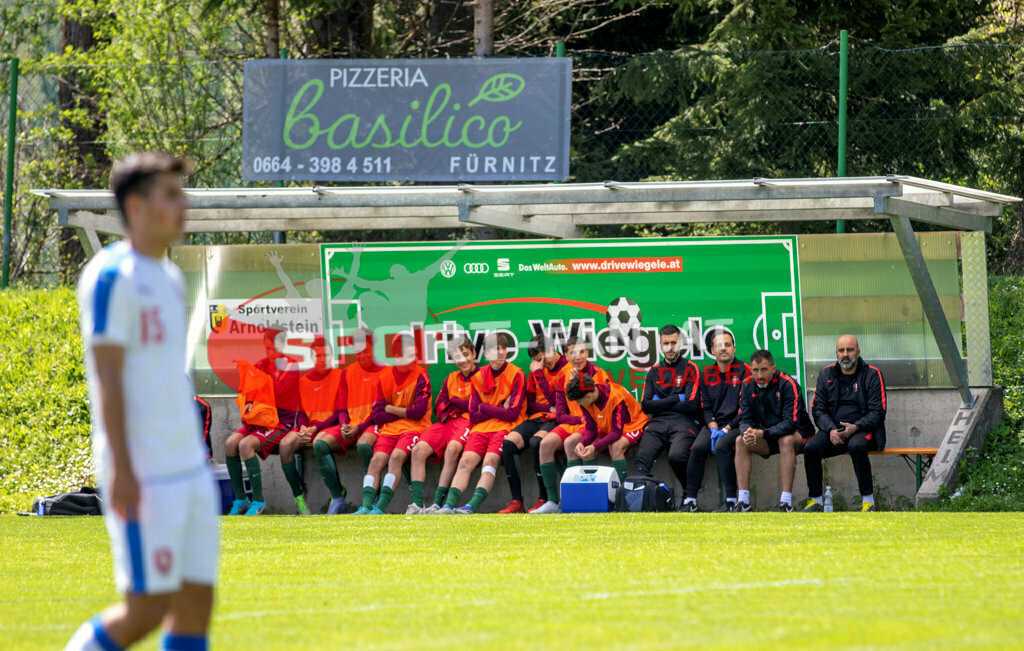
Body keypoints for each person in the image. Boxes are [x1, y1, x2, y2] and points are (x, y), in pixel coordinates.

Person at [67, 153, 217, 650]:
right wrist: (123, 469)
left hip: (188, 469)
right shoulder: (111, 277)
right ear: (135, 206)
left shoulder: (168, 276)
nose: (183, 205)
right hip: (145, 473)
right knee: (146, 609)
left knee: (195, 604)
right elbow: (107, 378)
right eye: (170, 194)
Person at [437, 333, 526, 514]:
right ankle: (447, 506)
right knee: (465, 462)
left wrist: (484, 407)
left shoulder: (517, 373)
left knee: (489, 461)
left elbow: (512, 414)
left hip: (505, 428)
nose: (500, 352)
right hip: (480, 429)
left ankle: (471, 506)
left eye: (503, 348)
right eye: (495, 349)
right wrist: (497, 408)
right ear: (485, 353)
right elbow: (473, 415)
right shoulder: (479, 376)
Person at [802, 335, 887, 512]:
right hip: (833, 430)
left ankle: (868, 501)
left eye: (850, 350)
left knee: (856, 446)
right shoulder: (825, 374)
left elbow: (878, 411)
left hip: (862, 429)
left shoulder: (872, 374)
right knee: (810, 447)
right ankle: (815, 500)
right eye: (841, 350)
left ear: (858, 352)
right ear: (836, 353)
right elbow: (818, 409)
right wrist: (831, 429)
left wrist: (855, 427)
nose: (845, 354)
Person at [530, 335, 612, 513]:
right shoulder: (563, 378)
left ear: (587, 352)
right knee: (544, 444)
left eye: (581, 352)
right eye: (573, 353)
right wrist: (577, 420)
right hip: (574, 423)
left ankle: (577, 499)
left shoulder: (599, 374)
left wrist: (580, 383)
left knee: (570, 442)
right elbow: (560, 415)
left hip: (595, 423)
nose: (578, 357)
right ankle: (553, 501)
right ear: (566, 356)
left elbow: (603, 406)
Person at [224, 328, 301, 515]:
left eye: (274, 348)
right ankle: (241, 499)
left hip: (280, 424)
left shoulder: (291, 365)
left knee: (245, 445)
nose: (270, 352)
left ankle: (259, 502)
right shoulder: (259, 365)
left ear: (283, 345)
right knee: (230, 443)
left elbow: (280, 390)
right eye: (267, 348)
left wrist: (256, 379)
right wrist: (247, 386)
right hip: (257, 421)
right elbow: (248, 389)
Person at [356, 335, 432, 515]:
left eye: (416, 354)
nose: (415, 359)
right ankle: (365, 506)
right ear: (397, 356)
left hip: (415, 427)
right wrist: (403, 412)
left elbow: (418, 412)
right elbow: (378, 415)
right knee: (375, 461)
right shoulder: (384, 377)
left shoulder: (421, 374)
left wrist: (391, 409)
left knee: (396, 457)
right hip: (390, 430)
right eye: (410, 355)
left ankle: (380, 508)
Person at [313, 328, 386, 514]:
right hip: (351, 425)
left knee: (364, 445)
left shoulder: (386, 371)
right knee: (320, 444)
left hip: (374, 424)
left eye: (366, 351)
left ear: (374, 348)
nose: (362, 356)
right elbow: (341, 407)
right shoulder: (347, 373)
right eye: (358, 352)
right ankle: (338, 498)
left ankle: (373, 499)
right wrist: (345, 424)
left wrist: (358, 428)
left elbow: (380, 411)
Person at [631, 324, 703, 510]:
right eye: (666, 343)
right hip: (658, 422)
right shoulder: (653, 371)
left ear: (681, 343)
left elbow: (691, 404)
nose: (670, 348)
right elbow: (646, 405)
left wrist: (660, 401)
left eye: (674, 343)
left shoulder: (691, 368)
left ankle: (689, 496)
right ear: (660, 345)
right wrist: (676, 397)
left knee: (677, 457)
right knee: (641, 461)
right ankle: (638, 503)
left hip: (685, 421)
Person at [732, 349, 814, 512]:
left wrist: (762, 433)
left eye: (764, 369)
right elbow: (744, 418)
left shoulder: (787, 384)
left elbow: (790, 424)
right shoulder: (747, 384)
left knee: (786, 440)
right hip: (766, 435)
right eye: (755, 370)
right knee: (740, 441)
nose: (760, 375)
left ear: (773, 368)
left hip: (797, 434)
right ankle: (743, 502)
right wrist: (747, 432)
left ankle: (786, 502)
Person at [497, 334, 567, 514]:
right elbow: (531, 403)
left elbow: (559, 402)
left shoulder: (566, 368)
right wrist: (548, 407)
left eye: (543, 359)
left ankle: (544, 498)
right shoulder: (537, 369)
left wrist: (538, 374)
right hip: (537, 418)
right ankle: (517, 502)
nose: (542, 364)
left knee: (537, 442)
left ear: (552, 349)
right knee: (508, 443)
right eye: (537, 361)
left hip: (557, 419)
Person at [412, 336, 477, 514]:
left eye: (466, 355)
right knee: (418, 450)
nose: (463, 360)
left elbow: (476, 406)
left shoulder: (481, 376)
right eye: (458, 357)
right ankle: (416, 505)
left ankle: (437, 503)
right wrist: (455, 407)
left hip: (467, 420)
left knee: (453, 449)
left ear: (474, 354)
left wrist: (455, 401)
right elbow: (439, 405)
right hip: (447, 421)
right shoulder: (451, 378)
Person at [277, 337, 341, 515]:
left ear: (332, 356)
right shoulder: (304, 381)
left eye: (325, 355)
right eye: (317, 355)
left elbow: (339, 414)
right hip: (310, 428)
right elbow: (302, 412)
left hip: (331, 426)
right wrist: (303, 427)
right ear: (312, 358)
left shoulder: (339, 376)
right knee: (285, 445)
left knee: (319, 442)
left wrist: (314, 429)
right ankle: (299, 497)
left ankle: (338, 493)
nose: (322, 359)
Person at [691, 329, 750, 512]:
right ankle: (690, 501)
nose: (723, 348)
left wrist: (726, 429)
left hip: (739, 423)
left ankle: (731, 500)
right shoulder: (706, 373)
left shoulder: (745, 370)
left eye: (727, 345)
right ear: (712, 350)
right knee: (697, 448)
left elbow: (747, 407)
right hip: (715, 425)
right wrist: (713, 427)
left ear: (734, 348)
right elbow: (706, 406)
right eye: (719, 345)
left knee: (721, 446)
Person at [563, 374, 649, 492]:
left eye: (578, 401)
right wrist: (582, 443)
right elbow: (591, 429)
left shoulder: (615, 396)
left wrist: (595, 446)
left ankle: (622, 492)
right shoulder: (586, 399)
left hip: (634, 425)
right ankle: (590, 491)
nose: (578, 404)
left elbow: (616, 433)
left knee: (615, 446)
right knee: (586, 448)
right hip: (611, 427)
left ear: (588, 396)